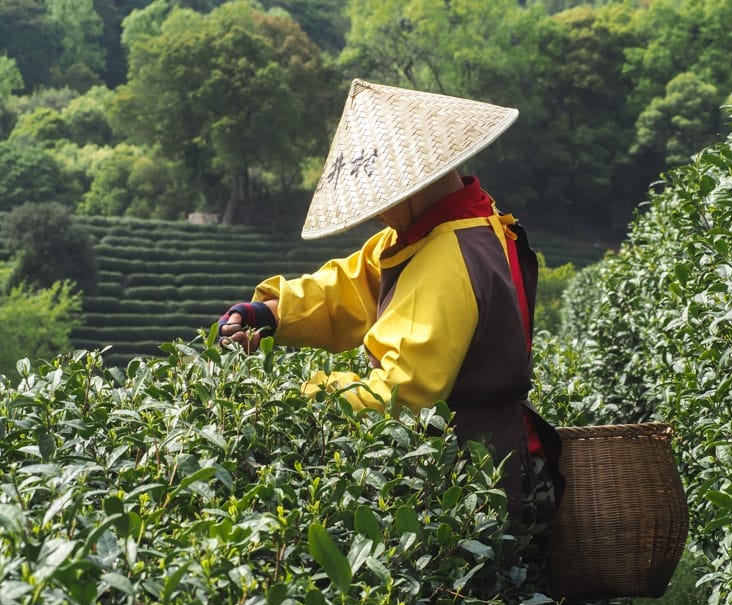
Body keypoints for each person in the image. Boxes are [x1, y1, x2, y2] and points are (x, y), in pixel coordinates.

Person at [217, 78, 563, 530]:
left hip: (475, 487)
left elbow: (403, 396)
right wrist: (271, 313)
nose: (377, 213)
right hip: (476, 466)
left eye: (383, 199)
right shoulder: (447, 224)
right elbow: (355, 285)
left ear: (417, 183)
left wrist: (291, 397)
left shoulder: (450, 255)